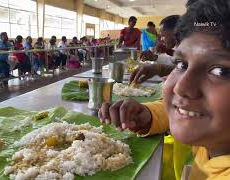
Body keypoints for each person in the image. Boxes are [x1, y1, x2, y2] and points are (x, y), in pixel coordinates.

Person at [99, 0, 230, 180]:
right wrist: (147, 114)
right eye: (181, 64)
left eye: (220, 71)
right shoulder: (213, 139)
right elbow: (185, 112)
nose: (180, 86)